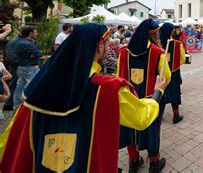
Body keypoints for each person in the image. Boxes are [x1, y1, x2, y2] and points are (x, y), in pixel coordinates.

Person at [0, 23, 167, 172]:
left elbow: (8, 142)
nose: (109, 48)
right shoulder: (108, 89)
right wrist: (157, 91)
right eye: (108, 44)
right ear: (100, 46)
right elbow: (141, 118)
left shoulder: (36, 90)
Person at [117, 19, 171, 173]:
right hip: (151, 97)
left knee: (130, 129)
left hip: (129, 98)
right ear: (153, 34)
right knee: (152, 129)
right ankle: (154, 163)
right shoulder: (158, 52)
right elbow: (165, 77)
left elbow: (117, 75)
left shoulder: (123, 52)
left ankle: (133, 161)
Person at [160, 22, 186, 124]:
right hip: (174, 72)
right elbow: (183, 59)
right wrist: (175, 64)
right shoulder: (178, 44)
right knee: (174, 92)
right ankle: (176, 115)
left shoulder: (157, 44)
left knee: (160, 93)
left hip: (160, 73)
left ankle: (159, 115)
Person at [13, 26, 42, 110]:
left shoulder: (20, 42)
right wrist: (34, 54)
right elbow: (39, 54)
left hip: (22, 67)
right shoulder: (28, 44)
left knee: (19, 88)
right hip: (30, 68)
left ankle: (17, 107)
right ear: (30, 33)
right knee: (33, 86)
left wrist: (34, 54)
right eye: (35, 32)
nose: (36, 34)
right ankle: (30, 107)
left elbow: (36, 54)